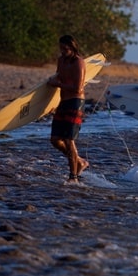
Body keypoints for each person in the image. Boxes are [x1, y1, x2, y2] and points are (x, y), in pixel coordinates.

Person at [47, 35, 89, 182]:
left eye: (66, 49)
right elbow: (59, 76)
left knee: (69, 140)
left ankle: (73, 176)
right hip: (63, 102)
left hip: (75, 102)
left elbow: (77, 88)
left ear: (72, 48)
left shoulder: (79, 62)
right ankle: (80, 162)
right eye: (61, 48)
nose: (63, 51)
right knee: (55, 140)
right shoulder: (61, 60)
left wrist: (57, 84)